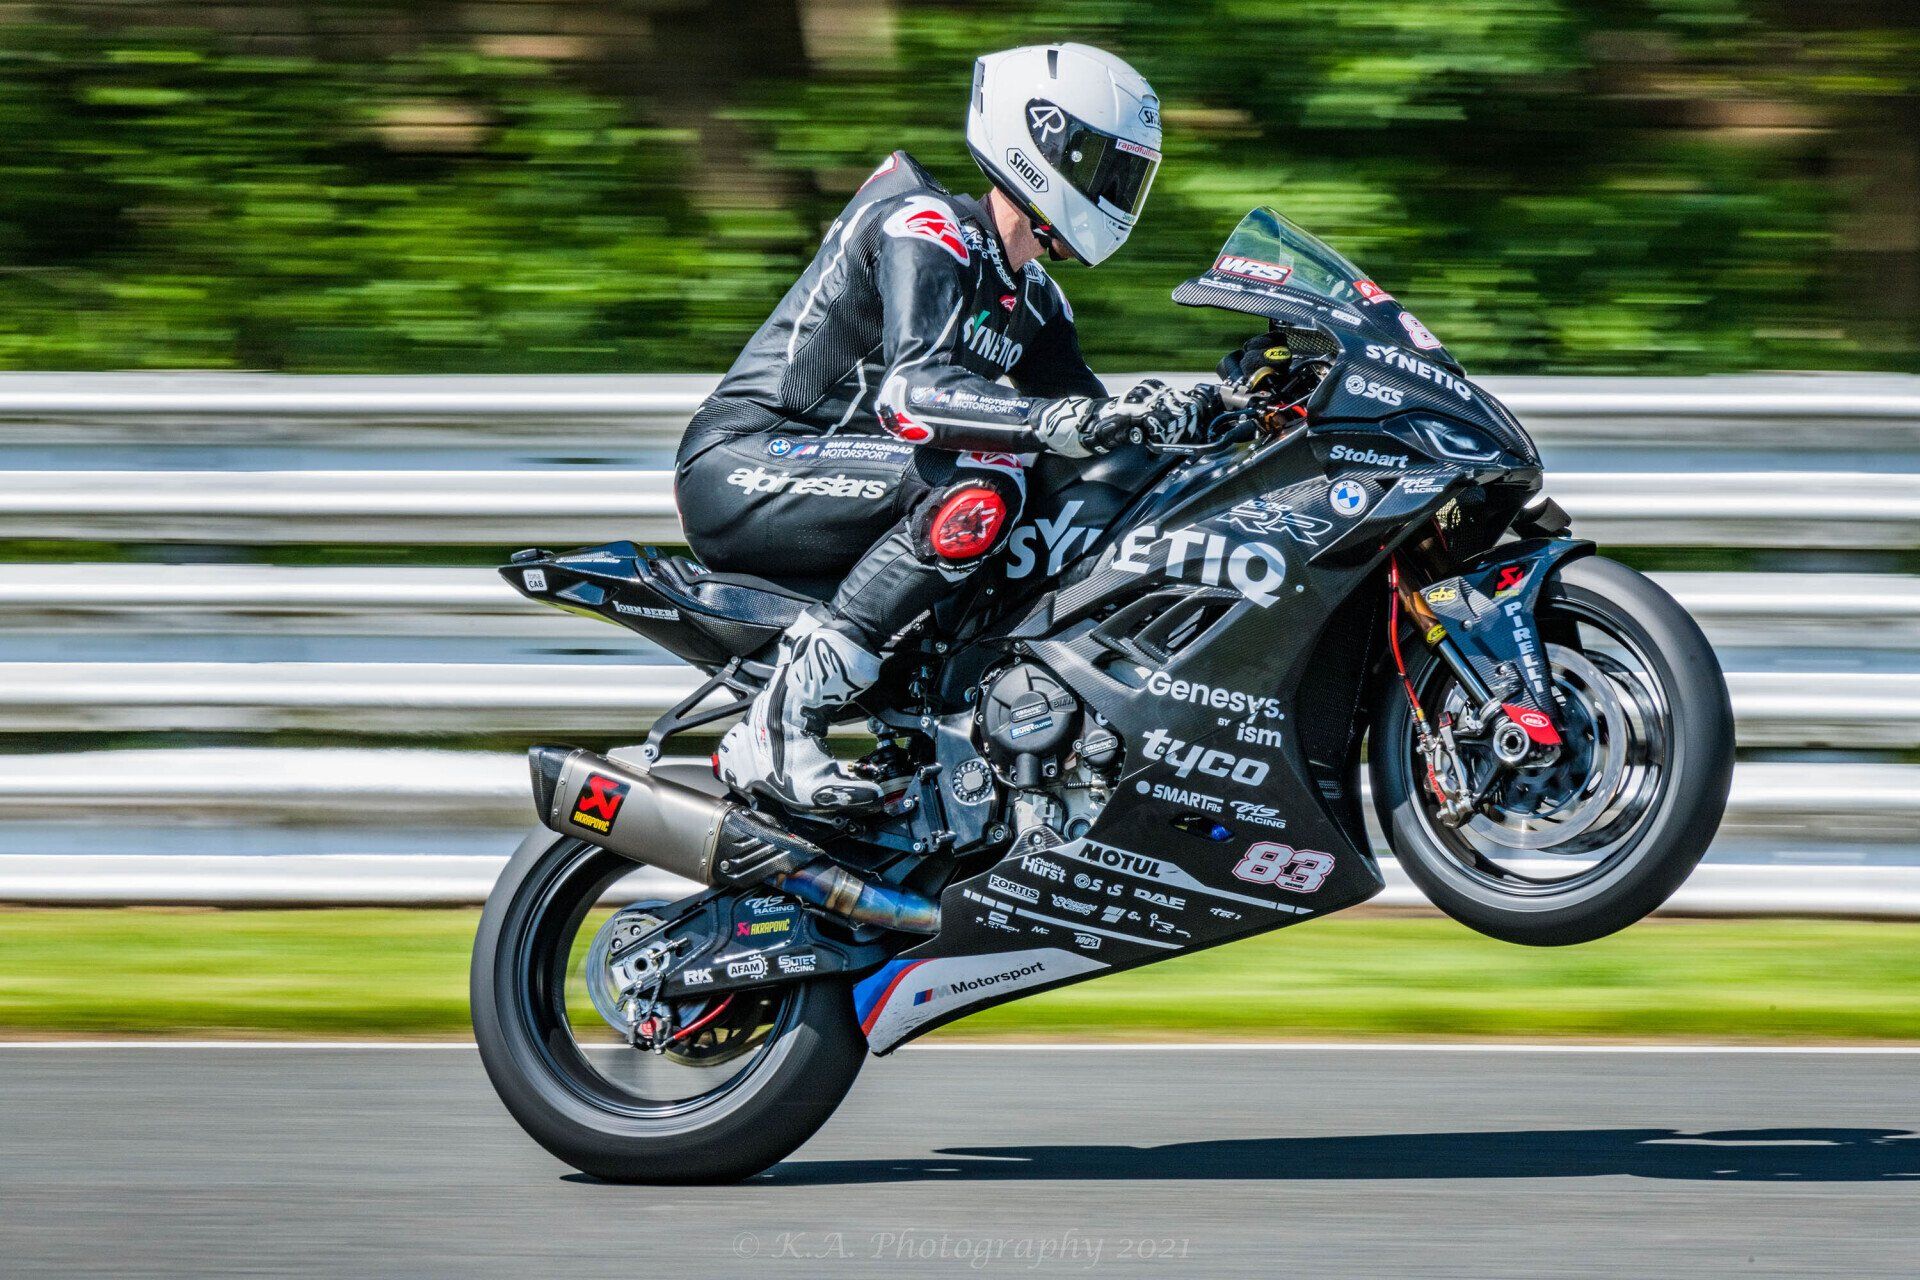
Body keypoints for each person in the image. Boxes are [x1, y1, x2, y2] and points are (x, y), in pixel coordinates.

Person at [676, 42, 1225, 810]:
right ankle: (780, 722)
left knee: (1056, 491)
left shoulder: (1036, 298)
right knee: (988, 475)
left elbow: (1094, 439)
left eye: (1128, 173)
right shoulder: (925, 226)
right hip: (746, 457)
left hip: (859, 478)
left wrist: (1200, 417)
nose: (1116, 188)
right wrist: (1063, 420)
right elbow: (913, 396)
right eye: (1104, 163)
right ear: (1041, 142)